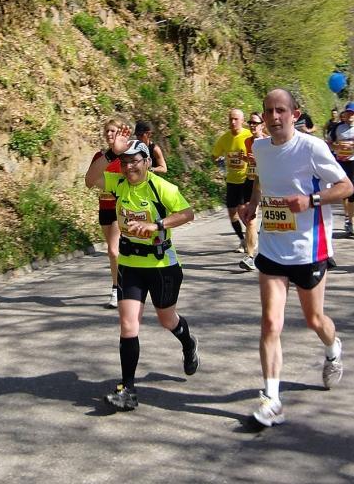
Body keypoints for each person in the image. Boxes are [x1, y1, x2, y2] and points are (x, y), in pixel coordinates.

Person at [240, 88, 353, 426]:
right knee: (271, 323)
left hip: (309, 248)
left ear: (294, 113)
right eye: (269, 111)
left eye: (281, 111)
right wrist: (253, 203)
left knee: (314, 320)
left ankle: (333, 350)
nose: (275, 117)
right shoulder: (259, 147)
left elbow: (345, 186)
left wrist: (312, 200)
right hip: (273, 247)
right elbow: (261, 178)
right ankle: (272, 399)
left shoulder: (312, 147)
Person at [85, 128, 198, 411]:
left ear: (147, 162)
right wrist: (111, 152)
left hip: (162, 265)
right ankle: (128, 388)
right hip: (130, 264)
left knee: (166, 319)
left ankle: (188, 342)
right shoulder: (119, 183)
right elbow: (90, 180)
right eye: (125, 162)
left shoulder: (162, 188)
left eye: (135, 161)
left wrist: (156, 225)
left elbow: (187, 213)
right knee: (128, 325)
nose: (129, 167)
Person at [85, 119, 124, 308]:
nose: (109, 134)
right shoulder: (99, 157)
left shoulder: (126, 156)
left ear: (120, 133)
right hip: (104, 207)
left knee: (113, 250)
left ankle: (117, 289)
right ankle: (122, 282)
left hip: (121, 209)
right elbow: (90, 181)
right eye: (107, 131)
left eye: (113, 131)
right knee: (113, 253)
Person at [212, 109, 254, 255]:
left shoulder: (249, 135)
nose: (233, 122)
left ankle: (251, 237)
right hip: (231, 180)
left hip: (246, 179)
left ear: (242, 121)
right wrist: (219, 161)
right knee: (232, 213)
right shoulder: (224, 138)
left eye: (236, 119)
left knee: (243, 212)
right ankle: (243, 239)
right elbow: (214, 155)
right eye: (230, 119)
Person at [330, 102, 354, 235]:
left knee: (351, 190)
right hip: (340, 161)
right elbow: (329, 143)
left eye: (352, 113)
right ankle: (347, 215)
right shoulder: (338, 128)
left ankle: (350, 221)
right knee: (342, 190)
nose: (350, 115)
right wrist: (336, 147)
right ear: (344, 114)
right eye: (348, 113)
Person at [239, 111, 267, 271]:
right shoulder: (248, 141)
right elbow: (251, 163)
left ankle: (263, 250)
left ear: (262, 125)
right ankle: (250, 256)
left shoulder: (268, 142)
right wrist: (246, 160)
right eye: (250, 122)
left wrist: (257, 161)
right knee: (250, 218)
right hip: (252, 181)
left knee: (269, 221)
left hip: (268, 183)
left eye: (255, 123)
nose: (252, 125)